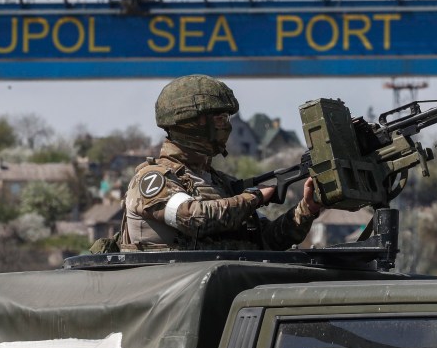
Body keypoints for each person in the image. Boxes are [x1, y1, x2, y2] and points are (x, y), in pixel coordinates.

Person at [119, 74, 322, 251]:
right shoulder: (153, 179)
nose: (226, 126)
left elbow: (267, 239)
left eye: (226, 118)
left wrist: (307, 208)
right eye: (219, 119)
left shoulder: (220, 183)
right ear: (189, 123)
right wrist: (254, 198)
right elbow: (193, 218)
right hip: (170, 291)